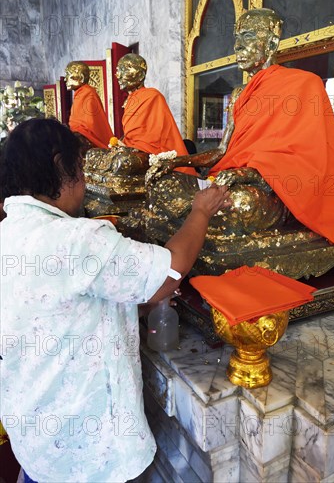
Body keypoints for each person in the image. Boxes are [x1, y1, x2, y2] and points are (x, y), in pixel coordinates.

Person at [0, 118, 230, 483]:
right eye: (83, 170)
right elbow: (169, 273)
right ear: (62, 167)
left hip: (35, 437)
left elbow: (57, 303)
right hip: (87, 452)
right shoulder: (77, 240)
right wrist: (200, 210)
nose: (87, 183)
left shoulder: (7, 233)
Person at [150, 8, 334, 251]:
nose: (238, 47)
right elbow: (222, 152)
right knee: (164, 185)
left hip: (277, 190)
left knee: (239, 202)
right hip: (231, 179)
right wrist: (177, 161)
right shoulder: (238, 95)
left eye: (249, 37)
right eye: (237, 38)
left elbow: (308, 162)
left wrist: (247, 174)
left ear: (272, 44)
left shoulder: (305, 85)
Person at [115, 53, 196, 175]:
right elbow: (131, 134)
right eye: (118, 70)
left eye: (124, 69)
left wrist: (131, 148)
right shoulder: (130, 100)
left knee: (123, 161)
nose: (118, 75)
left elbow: (154, 137)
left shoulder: (153, 96)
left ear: (140, 74)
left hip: (149, 152)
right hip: (132, 149)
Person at [66, 61, 113, 150]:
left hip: (89, 140)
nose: (65, 79)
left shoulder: (87, 93)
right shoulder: (79, 94)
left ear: (81, 78)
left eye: (68, 75)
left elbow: (89, 124)